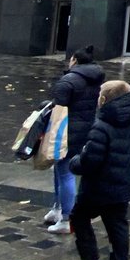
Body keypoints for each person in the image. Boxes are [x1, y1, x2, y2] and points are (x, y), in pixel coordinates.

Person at [69, 80, 130, 260]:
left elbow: (89, 161)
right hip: (122, 185)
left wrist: (75, 162)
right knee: (118, 229)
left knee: (79, 217)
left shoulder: (102, 126)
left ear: (104, 99)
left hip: (98, 189)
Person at [45, 46, 105, 234]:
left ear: (75, 60)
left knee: (65, 172)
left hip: (66, 132)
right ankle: (58, 208)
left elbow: (58, 108)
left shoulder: (68, 80)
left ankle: (66, 219)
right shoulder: (97, 79)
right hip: (87, 130)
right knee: (62, 170)